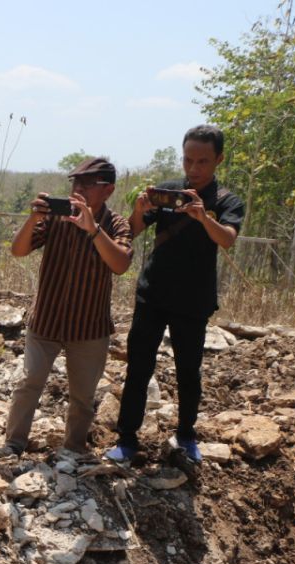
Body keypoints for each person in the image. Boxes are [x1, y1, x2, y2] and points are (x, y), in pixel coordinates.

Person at [107, 125, 245, 465]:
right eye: (188, 160)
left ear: (219, 160)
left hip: (193, 301)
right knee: (139, 367)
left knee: (188, 371)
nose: (194, 169)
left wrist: (202, 217)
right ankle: (126, 439)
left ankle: (186, 435)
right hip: (152, 294)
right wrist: (139, 210)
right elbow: (134, 230)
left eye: (202, 161)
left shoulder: (226, 201)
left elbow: (227, 239)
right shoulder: (167, 192)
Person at [0, 157, 133, 458]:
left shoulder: (115, 224)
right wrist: (32, 219)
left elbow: (120, 263)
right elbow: (18, 250)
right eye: (75, 183)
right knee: (30, 381)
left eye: (86, 184)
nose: (77, 189)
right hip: (46, 320)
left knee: (83, 395)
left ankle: (73, 448)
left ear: (107, 190)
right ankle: (13, 443)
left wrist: (93, 229)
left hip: (89, 327)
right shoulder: (56, 218)